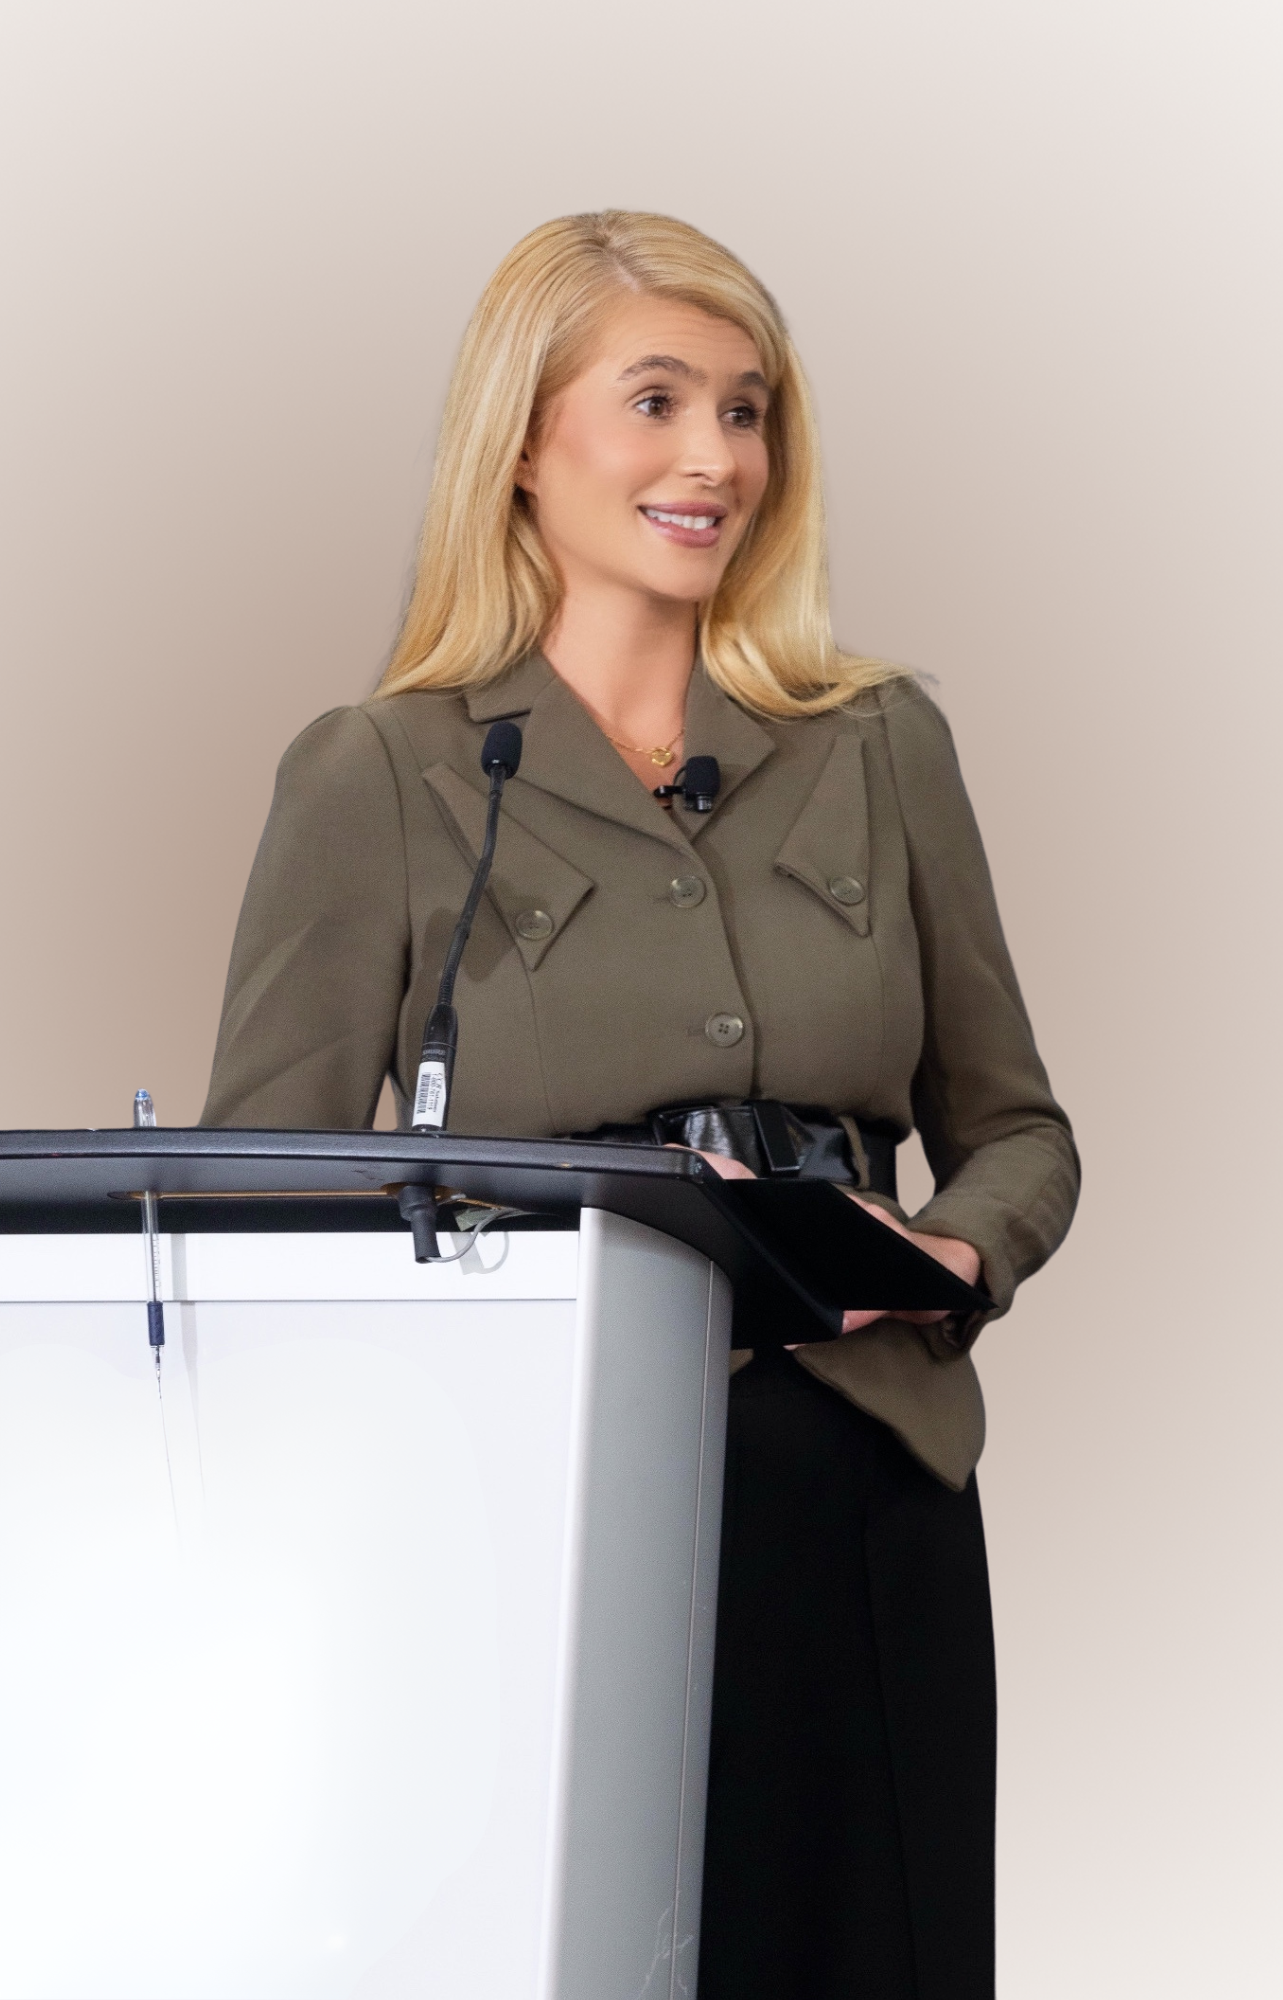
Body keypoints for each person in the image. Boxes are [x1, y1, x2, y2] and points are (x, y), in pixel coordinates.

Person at [202, 209, 1079, 1999]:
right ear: (522, 444)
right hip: (527, 1499)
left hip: (860, 1483)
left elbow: (1018, 1132)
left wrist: (951, 1255)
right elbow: (259, 1197)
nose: (715, 459)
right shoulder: (383, 774)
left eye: (745, 411)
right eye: (657, 401)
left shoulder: (877, 743)